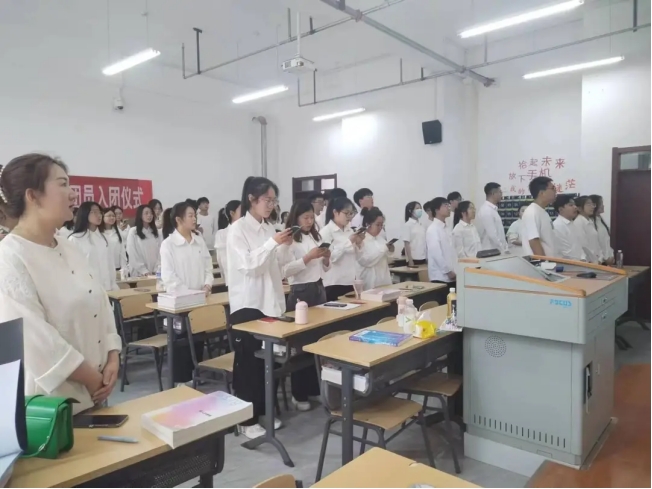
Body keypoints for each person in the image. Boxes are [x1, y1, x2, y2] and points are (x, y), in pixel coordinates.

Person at [0, 153, 121, 414]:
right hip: (54, 406)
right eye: (63, 184)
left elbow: (100, 301)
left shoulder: (69, 247)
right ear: (33, 196)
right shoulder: (10, 257)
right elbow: (34, 340)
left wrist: (113, 355)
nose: (73, 193)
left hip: (97, 394)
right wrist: (91, 378)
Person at [226, 176, 293, 439]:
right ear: (252, 199)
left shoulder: (268, 228)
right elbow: (249, 266)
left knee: (269, 362)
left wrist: (284, 246)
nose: (271, 205)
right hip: (248, 305)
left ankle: (264, 410)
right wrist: (273, 243)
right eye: (267, 200)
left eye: (274, 200)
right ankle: (246, 420)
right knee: (248, 365)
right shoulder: (237, 230)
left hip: (270, 302)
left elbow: (276, 266)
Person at [278, 199, 329, 412]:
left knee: (317, 342)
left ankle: (313, 387)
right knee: (300, 345)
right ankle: (298, 394)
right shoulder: (289, 240)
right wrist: (308, 257)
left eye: (311, 217)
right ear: (296, 218)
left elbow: (323, 268)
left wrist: (326, 258)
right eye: (305, 218)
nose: (309, 221)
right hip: (300, 292)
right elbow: (284, 271)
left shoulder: (314, 236)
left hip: (318, 288)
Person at [160, 201, 213, 384]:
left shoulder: (199, 240)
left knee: (198, 338)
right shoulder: (168, 244)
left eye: (194, 215)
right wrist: (189, 294)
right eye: (190, 215)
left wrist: (207, 285)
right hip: (181, 302)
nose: (194, 219)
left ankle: (195, 375)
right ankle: (181, 380)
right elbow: (169, 277)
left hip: (201, 298)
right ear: (178, 219)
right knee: (182, 341)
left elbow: (208, 267)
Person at [320, 197, 364, 301]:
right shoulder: (326, 232)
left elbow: (358, 258)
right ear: (335, 212)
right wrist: (349, 242)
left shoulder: (350, 231)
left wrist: (359, 243)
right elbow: (331, 258)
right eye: (346, 213)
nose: (350, 217)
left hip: (350, 281)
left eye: (351, 213)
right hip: (334, 283)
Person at [68, 202, 118, 291]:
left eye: (100, 212)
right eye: (94, 212)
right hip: (86, 290)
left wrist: (113, 285)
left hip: (107, 289)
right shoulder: (75, 239)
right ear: (85, 214)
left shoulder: (104, 238)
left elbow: (110, 264)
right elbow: (72, 269)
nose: (99, 215)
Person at [426, 198, 457, 297]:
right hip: (440, 277)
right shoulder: (432, 229)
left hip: (453, 275)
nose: (448, 208)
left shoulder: (447, 228)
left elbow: (452, 251)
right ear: (436, 210)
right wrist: (448, 271)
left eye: (448, 205)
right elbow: (436, 254)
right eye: (445, 205)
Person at [356, 207, 393, 290]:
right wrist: (384, 248)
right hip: (369, 283)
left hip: (384, 281)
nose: (380, 228)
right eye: (377, 224)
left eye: (382, 225)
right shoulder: (361, 240)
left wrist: (390, 250)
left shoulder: (381, 239)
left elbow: (388, 259)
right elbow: (367, 261)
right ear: (368, 224)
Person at [521, 177, 557, 257]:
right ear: (541, 193)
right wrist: (543, 262)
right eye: (553, 188)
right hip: (540, 263)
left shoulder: (542, 211)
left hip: (550, 261)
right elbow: (534, 241)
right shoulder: (532, 212)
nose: (555, 191)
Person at [126, 204, 162, 276]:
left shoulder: (156, 232)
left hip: (154, 272)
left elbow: (160, 252)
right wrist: (144, 271)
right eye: (146, 213)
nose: (149, 215)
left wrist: (157, 268)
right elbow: (132, 252)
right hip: (139, 273)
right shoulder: (133, 231)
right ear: (140, 215)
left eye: (151, 213)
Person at [475, 183, 508, 252]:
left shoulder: (493, 209)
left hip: (497, 250)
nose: (501, 195)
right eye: (500, 192)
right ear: (493, 194)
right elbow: (492, 235)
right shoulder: (486, 210)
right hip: (491, 251)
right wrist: (503, 249)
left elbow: (499, 233)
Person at [215, 200, 241, 286]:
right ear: (232, 213)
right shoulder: (222, 234)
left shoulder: (249, 232)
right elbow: (222, 260)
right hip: (234, 278)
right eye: (242, 211)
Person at [552, 194, 585, 261]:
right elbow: (566, 252)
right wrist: (581, 262)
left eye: (574, 205)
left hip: (579, 263)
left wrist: (584, 259)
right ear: (561, 209)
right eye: (571, 205)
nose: (575, 207)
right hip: (568, 264)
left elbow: (579, 246)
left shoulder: (572, 223)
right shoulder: (557, 226)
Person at [573, 196, 602, 263]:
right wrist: (593, 260)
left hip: (596, 261)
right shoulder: (578, 222)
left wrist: (600, 258)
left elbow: (596, 243)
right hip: (588, 262)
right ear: (579, 208)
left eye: (593, 204)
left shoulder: (590, 221)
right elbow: (583, 245)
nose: (592, 207)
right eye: (588, 204)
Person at [590, 194, 614, 265]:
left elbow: (606, 241)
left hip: (608, 259)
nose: (603, 206)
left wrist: (611, 255)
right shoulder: (590, 222)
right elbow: (595, 244)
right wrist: (604, 258)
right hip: (600, 261)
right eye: (601, 204)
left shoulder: (600, 219)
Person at [102, 206, 127, 272]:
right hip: (104, 268)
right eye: (109, 216)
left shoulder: (118, 231)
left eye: (113, 216)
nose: (112, 218)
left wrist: (124, 268)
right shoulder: (98, 233)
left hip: (117, 267)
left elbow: (122, 251)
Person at [401, 201, 427, 266]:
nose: (420, 210)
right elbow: (406, 244)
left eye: (420, 208)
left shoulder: (421, 225)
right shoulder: (407, 225)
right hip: (414, 258)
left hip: (423, 257)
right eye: (417, 208)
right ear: (410, 211)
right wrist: (410, 260)